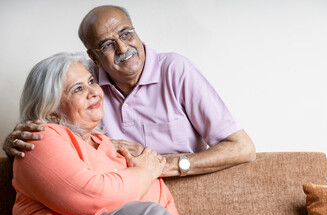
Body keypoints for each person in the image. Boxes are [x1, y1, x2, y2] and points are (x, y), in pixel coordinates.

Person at [3, 5, 255, 177]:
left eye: (126, 34)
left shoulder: (176, 70)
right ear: (94, 56)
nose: (124, 48)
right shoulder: (84, 84)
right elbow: (53, 136)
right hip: (114, 199)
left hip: (180, 189)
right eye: (108, 44)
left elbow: (242, 147)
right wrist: (17, 142)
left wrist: (162, 165)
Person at [12, 52, 193, 215]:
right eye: (77, 89)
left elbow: (164, 208)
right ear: (52, 109)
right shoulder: (37, 138)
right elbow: (92, 195)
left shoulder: (112, 147)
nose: (94, 92)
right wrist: (146, 172)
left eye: (91, 82)